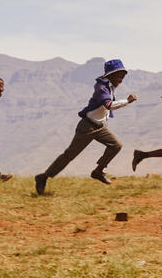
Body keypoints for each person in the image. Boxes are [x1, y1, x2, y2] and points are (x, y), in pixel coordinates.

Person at [35, 58, 136, 196]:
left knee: (116, 145)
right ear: (111, 74)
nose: (121, 80)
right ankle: (43, 177)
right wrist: (127, 101)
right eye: (119, 76)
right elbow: (108, 105)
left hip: (99, 126)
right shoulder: (101, 87)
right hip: (87, 127)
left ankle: (98, 171)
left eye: (123, 77)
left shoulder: (110, 87)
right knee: (69, 155)